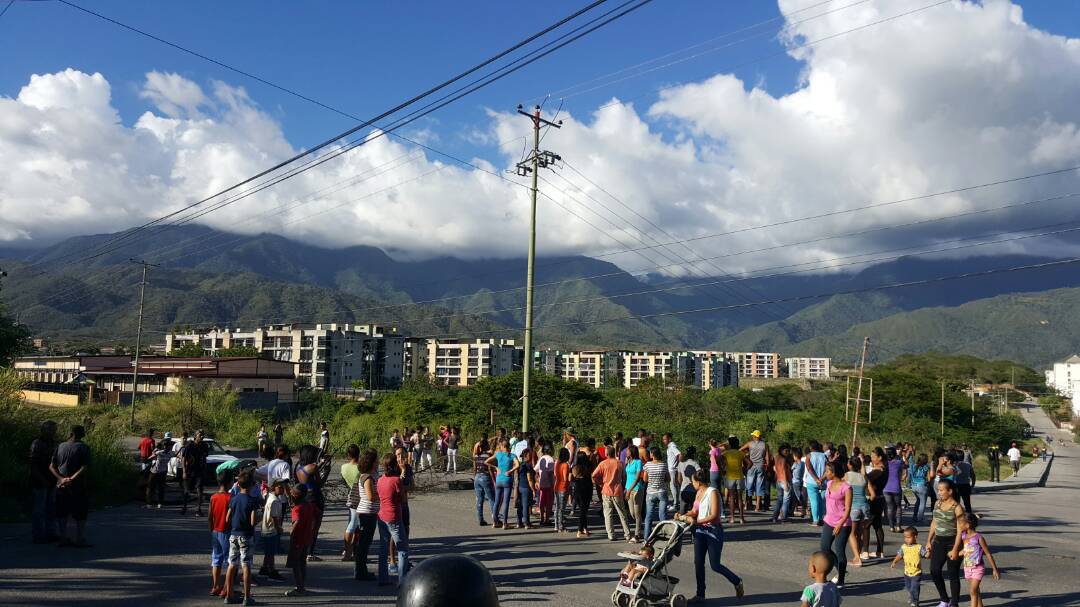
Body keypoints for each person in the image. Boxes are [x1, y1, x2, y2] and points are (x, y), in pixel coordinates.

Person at [679, 469, 744, 603]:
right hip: (700, 532)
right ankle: (700, 595)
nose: (692, 484)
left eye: (693, 482)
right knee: (698, 563)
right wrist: (684, 515)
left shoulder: (712, 492)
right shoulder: (699, 492)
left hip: (713, 532)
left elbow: (714, 515)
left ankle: (736, 581)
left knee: (715, 565)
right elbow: (694, 510)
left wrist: (696, 521)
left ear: (698, 482)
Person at [925, 478, 964, 607]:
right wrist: (929, 541)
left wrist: (955, 549)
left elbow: (960, 531)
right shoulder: (937, 504)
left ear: (950, 491)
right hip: (938, 541)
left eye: (942, 490)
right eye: (938, 490)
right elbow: (934, 522)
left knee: (952, 574)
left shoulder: (957, 508)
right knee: (934, 571)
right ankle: (944, 600)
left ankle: (954, 603)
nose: (939, 492)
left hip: (953, 542)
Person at [51, 425, 91, 547]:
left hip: (61, 485)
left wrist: (61, 479)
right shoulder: (84, 448)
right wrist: (71, 479)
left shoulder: (60, 446)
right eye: (83, 431)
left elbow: (51, 466)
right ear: (78, 434)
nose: (84, 433)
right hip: (77, 486)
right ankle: (80, 539)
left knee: (62, 512)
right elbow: (84, 467)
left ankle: (63, 537)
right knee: (80, 513)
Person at [223, 471, 258, 606]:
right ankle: (247, 597)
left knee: (232, 564)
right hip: (246, 536)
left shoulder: (234, 499)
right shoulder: (252, 501)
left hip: (233, 535)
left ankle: (229, 594)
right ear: (252, 486)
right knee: (246, 565)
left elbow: (227, 518)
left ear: (238, 484)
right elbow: (252, 521)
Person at [377, 452, 409, 586]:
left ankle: (383, 578)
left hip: (382, 515)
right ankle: (402, 580)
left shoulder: (380, 480)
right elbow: (402, 498)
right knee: (402, 549)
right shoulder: (396, 480)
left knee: (383, 548)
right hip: (394, 516)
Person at [820, 461, 852, 589]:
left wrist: (840, 524)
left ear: (833, 472)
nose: (825, 473)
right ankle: (841, 570)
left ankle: (841, 579)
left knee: (840, 551)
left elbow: (848, 508)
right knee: (825, 547)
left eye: (827, 471)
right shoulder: (829, 483)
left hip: (843, 523)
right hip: (829, 521)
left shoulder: (846, 487)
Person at [592, 445, 632, 541]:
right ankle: (627, 533)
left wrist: (600, 483)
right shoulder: (620, 463)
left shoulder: (603, 464)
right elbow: (624, 477)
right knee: (622, 513)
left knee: (608, 513)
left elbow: (593, 475)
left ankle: (611, 534)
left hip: (606, 490)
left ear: (606, 454)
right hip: (617, 490)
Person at [959, 513, 1000, 607]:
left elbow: (988, 554)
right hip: (967, 568)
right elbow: (965, 550)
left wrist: (995, 569)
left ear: (967, 525)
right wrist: (954, 553)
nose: (959, 525)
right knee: (976, 591)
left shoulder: (979, 538)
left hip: (978, 568)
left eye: (961, 523)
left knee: (972, 591)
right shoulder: (963, 536)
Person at [294, 445, 326, 561]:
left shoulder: (298, 466)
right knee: (315, 527)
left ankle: (304, 549)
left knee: (307, 525)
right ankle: (310, 552)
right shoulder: (313, 467)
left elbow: (309, 472)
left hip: (305, 496)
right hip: (315, 497)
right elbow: (320, 483)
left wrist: (320, 465)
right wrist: (326, 471)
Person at [30, 420, 58, 544]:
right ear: (43, 430)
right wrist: (42, 480)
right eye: (50, 430)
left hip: (51, 480)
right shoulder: (37, 443)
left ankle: (50, 533)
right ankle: (38, 535)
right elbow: (33, 465)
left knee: (51, 508)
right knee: (39, 509)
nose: (53, 432)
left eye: (54, 430)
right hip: (39, 481)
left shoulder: (53, 443)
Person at [353, 448, 380, 581]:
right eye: (376, 460)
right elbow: (370, 496)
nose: (378, 462)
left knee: (365, 543)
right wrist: (384, 494)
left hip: (371, 513)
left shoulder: (373, 474)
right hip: (366, 513)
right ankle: (360, 572)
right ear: (371, 462)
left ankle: (361, 570)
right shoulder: (367, 477)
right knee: (363, 543)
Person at [286, 485, 316, 597]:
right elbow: (313, 519)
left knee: (296, 564)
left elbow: (297, 521)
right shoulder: (308, 505)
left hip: (298, 539)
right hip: (307, 537)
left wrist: (291, 533)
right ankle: (302, 585)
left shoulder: (297, 508)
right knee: (302, 563)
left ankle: (299, 588)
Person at [208, 472, 233, 597]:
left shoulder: (213, 497)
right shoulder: (231, 497)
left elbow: (209, 516)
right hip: (227, 531)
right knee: (230, 561)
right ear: (230, 483)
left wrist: (212, 529)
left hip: (216, 531)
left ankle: (215, 585)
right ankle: (227, 588)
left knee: (216, 559)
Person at [891, 526, 927, 607]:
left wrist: (929, 552)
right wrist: (894, 561)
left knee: (914, 587)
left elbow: (926, 555)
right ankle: (912, 596)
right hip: (906, 572)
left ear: (915, 537)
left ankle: (915, 601)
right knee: (908, 587)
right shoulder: (903, 547)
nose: (906, 539)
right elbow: (899, 555)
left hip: (916, 572)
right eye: (905, 537)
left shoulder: (919, 547)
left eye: (908, 537)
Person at [486, 439, 517, 530]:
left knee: (497, 501)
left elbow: (486, 461)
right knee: (506, 502)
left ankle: (495, 522)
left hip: (499, 479)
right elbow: (517, 464)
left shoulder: (498, 454)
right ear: (509, 447)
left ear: (503, 447)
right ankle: (505, 523)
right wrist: (510, 471)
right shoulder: (512, 455)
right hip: (507, 480)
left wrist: (496, 467)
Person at [845, 456, 870, 567]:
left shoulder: (847, 475)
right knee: (859, 534)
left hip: (853, 507)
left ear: (850, 465)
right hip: (864, 506)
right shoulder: (863, 477)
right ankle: (857, 556)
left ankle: (858, 558)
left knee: (851, 533)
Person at [259, 479, 286, 582]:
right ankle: (272, 571)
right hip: (271, 529)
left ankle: (264, 568)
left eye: (283, 487)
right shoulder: (274, 500)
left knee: (268, 552)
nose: (282, 489)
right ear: (274, 487)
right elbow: (274, 516)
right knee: (271, 553)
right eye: (280, 487)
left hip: (267, 529)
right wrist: (278, 527)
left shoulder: (271, 497)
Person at [642, 447, 670, 540]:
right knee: (662, 515)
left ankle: (647, 538)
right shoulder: (664, 465)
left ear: (652, 454)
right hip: (662, 492)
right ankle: (665, 536)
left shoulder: (647, 465)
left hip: (650, 492)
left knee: (649, 516)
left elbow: (645, 479)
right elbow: (668, 479)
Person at [741, 430, 771, 513]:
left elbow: (740, 450)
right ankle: (757, 507)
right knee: (759, 486)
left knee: (749, 486)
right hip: (761, 466)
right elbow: (767, 458)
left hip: (751, 466)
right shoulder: (765, 445)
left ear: (755, 436)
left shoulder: (749, 443)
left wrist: (746, 456)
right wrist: (767, 467)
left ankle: (747, 505)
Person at [341, 444, 361, 561]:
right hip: (360, 496)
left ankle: (350, 550)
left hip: (351, 494)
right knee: (354, 524)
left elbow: (344, 480)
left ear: (348, 455)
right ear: (359, 453)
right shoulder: (360, 468)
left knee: (353, 523)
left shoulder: (343, 467)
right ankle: (350, 551)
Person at [866, 448, 887, 558]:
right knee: (877, 526)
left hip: (874, 499)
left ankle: (865, 551)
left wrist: (861, 468)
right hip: (880, 498)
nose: (872, 459)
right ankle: (880, 551)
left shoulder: (878, 471)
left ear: (880, 458)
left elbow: (865, 478)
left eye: (874, 457)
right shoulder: (882, 469)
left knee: (866, 525)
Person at [181, 430, 209, 516]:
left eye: (203, 435)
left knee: (200, 490)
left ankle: (198, 510)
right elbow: (183, 459)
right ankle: (184, 507)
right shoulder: (190, 445)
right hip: (190, 471)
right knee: (187, 491)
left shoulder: (204, 445)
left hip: (199, 471)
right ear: (195, 436)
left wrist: (204, 469)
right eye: (200, 435)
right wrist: (184, 471)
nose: (202, 437)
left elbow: (204, 457)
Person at [722, 436, 747, 524]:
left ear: (730, 444)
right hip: (740, 476)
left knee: (731, 498)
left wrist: (722, 470)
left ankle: (732, 518)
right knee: (740, 498)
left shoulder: (726, 453)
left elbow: (717, 460)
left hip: (730, 477)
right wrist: (744, 471)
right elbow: (750, 463)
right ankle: (741, 518)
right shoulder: (740, 453)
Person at [472, 436, 496, 526]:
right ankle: (495, 519)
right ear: (486, 446)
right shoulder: (488, 455)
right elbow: (490, 468)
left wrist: (475, 477)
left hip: (477, 477)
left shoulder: (476, 455)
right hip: (485, 476)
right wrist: (493, 479)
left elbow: (474, 468)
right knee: (491, 499)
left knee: (479, 499)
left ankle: (480, 519)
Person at [624, 445, 645, 542]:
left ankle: (637, 534)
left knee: (637, 513)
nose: (626, 452)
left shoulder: (638, 462)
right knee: (632, 513)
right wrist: (626, 488)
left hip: (637, 489)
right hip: (628, 488)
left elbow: (637, 478)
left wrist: (629, 490)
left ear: (632, 452)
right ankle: (640, 528)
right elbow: (627, 476)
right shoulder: (628, 462)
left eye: (628, 451)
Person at [515, 438, 536, 529]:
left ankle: (519, 522)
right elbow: (530, 479)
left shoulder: (519, 465)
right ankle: (527, 523)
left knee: (520, 505)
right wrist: (533, 489)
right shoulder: (528, 466)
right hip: (526, 487)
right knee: (525, 505)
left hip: (519, 486)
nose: (531, 456)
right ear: (527, 456)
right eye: (530, 455)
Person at [571, 452, 593, 538]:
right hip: (587, 487)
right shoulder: (588, 466)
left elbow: (570, 478)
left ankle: (584, 528)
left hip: (577, 488)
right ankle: (580, 529)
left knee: (582, 510)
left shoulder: (575, 467)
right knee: (584, 510)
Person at [146, 436, 172, 509]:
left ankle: (160, 503)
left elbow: (177, 455)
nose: (168, 447)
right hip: (154, 472)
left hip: (162, 472)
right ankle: (149, 503)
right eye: (166, 446)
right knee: (151, 487)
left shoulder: (170, 453)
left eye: (169, 446)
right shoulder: (159, 452)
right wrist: (153, 455)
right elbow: (149, 458)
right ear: (164, 446)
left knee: (161, 488)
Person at [884, 447, 905, 532]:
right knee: (898, 506)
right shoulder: (899, 462)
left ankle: (891, 527)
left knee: (890, 507)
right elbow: (906, 465)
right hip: (896, 487)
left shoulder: (885, 463)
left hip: (886, 487)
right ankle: (898, 526)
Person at [771, 444, 792, 523]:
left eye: (788, 451)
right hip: (784, 481)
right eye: (786, 451)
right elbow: (783, 471)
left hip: (778, 481)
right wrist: (786, 482)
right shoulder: (783, 459)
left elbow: (775, 468)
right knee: (786, 500)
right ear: (781, 450)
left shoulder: (776, 457)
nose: (788, 452)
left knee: (779, 500)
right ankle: (783, 518)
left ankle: (774, 517)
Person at [908, 453, 931, 524]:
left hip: (914, 486)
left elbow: (909, 476)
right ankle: (920, 518)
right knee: (922, 503)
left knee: (918, 500)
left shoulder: (913, 466)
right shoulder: (926, 467)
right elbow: (929, 478)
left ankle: (914, 516)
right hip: (922, 486)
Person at [536, 443, 556, 527]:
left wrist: (537, 480)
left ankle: (541, 519)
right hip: (549, 483)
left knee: (542, 502)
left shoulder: (541, 459)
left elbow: (536, 470)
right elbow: (551, 473)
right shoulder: (551, 459)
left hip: (541, 483)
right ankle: (546, 519)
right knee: (549, 502)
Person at [677, 446, 700, 516]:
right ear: (694, 454)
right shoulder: (695, 464)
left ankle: (682, 525)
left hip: (683, 489)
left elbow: (679, 479)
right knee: (694, 511)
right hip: (694, 490)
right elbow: (700, 476)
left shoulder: (681, 463)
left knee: (682, 512)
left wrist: (682, 486)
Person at [662, 433, 681, 512]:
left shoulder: (672, 446)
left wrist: (678, 465)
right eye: (663, 439)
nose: (663, 441)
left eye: (665, 439)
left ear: (669, 439)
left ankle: (675, 505)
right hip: (672, 469)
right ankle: (676, 503)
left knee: (673, 486)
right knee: (674, 486)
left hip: (673, 469)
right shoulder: (670, 447)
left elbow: (679, 454)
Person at [554, 447, 571, 533]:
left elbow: (555, 474)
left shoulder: (557, 463)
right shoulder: (566, 465)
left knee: (557, 507)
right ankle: (561, 526)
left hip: (557, 486)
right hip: (563, 487)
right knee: (561, 508)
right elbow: (565, 477)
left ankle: (556, 525)